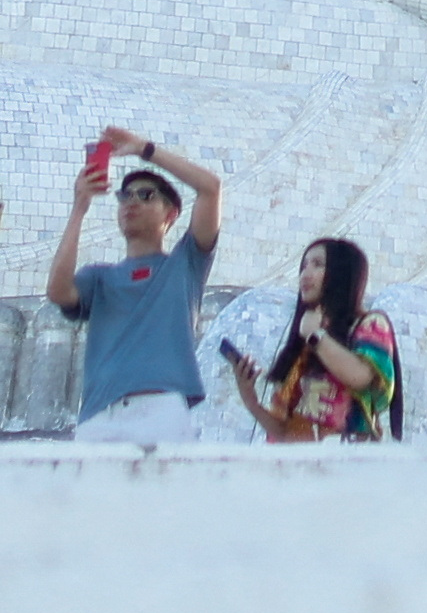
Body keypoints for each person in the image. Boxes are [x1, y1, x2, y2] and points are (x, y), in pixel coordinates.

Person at [47, 126, 227, 444]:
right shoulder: (98, 278)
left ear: (170, 215)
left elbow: (210, 188)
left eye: (146, 196)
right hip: (100, 412)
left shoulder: (185, 264)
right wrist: (79, 206)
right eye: (125, 195)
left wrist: (143, 148)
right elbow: (58, 291)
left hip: (161, 409)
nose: (132, 202)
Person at [226, 235, 402, 442]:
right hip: (296, 468)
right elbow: (284, 433)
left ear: (341, 273)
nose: (305, 274)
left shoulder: (370, 323)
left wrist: (316, 337)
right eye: (303, 266)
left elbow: (362, 377)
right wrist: (251, 401)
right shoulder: (303, 347)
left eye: (317, 264)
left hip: (345, 464)